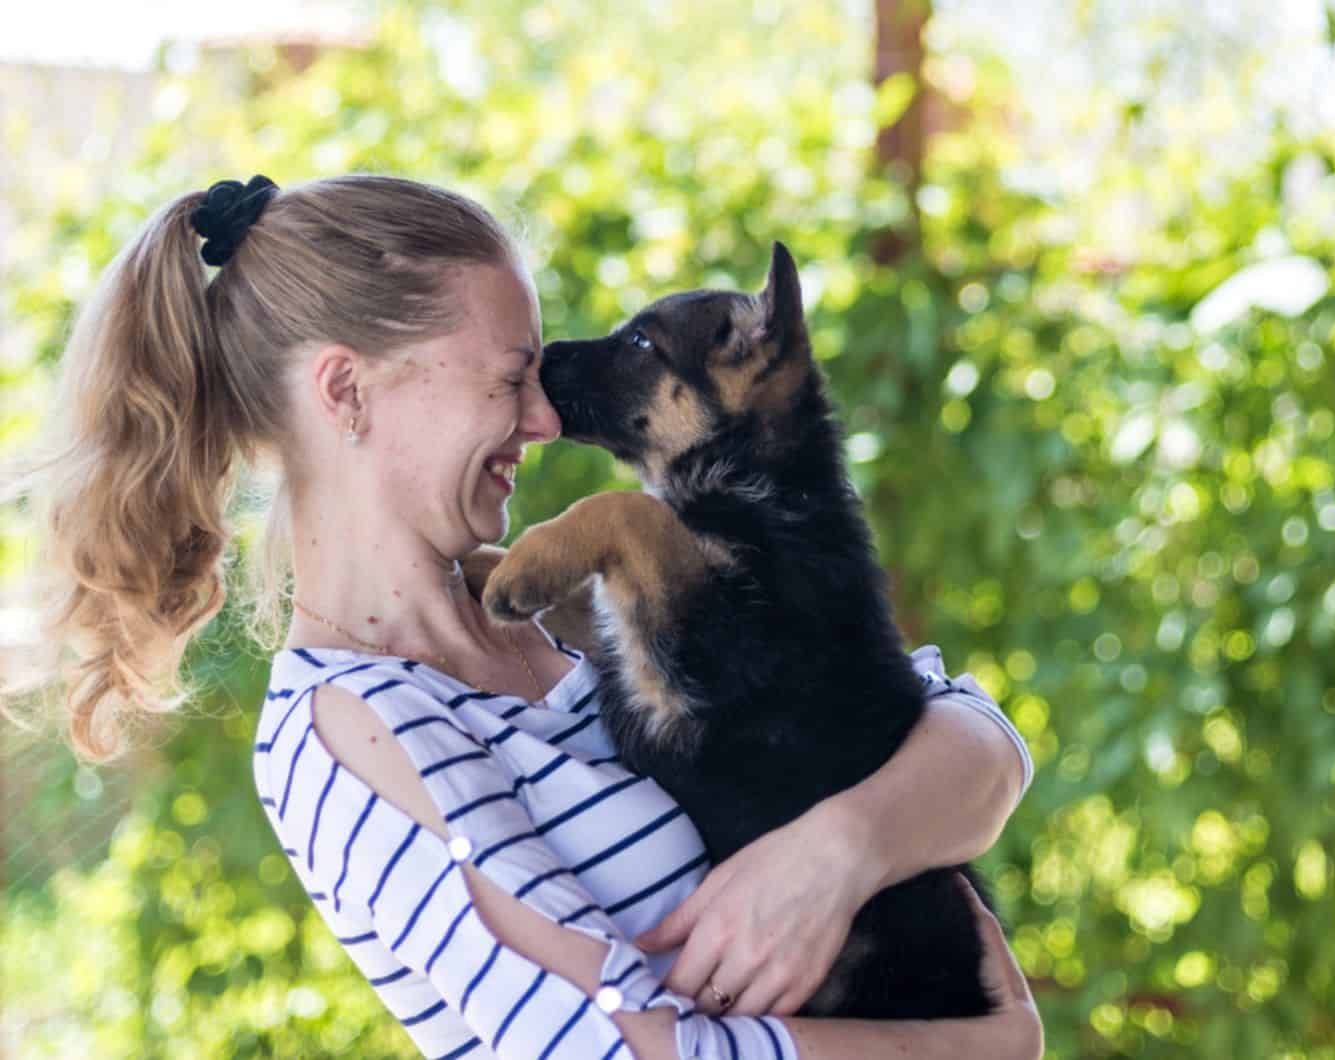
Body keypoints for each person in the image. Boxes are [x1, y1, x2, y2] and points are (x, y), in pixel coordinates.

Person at [6, 172, 1043, 1059]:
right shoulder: (346, 735)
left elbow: (967, 735)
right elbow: (611, 1045)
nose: (547, 418)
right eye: (510, 379)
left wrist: (839, 847)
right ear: (347, 391)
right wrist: (975, 1046)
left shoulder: (552, 606)